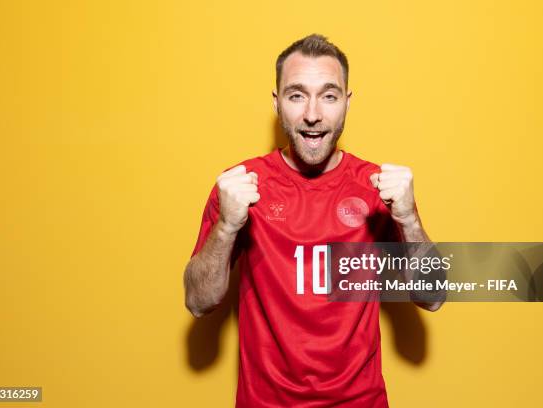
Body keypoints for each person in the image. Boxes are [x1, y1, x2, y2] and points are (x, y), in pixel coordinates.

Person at [184, 33, 443, 408]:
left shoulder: (378, 187)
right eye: (296, 95)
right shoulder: (241, 186)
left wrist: (408, 218)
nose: (312, 114)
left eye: (329, 95)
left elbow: (433, 297)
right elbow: (197, 301)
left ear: (347, 103)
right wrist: (226, 226)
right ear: (277, 103)